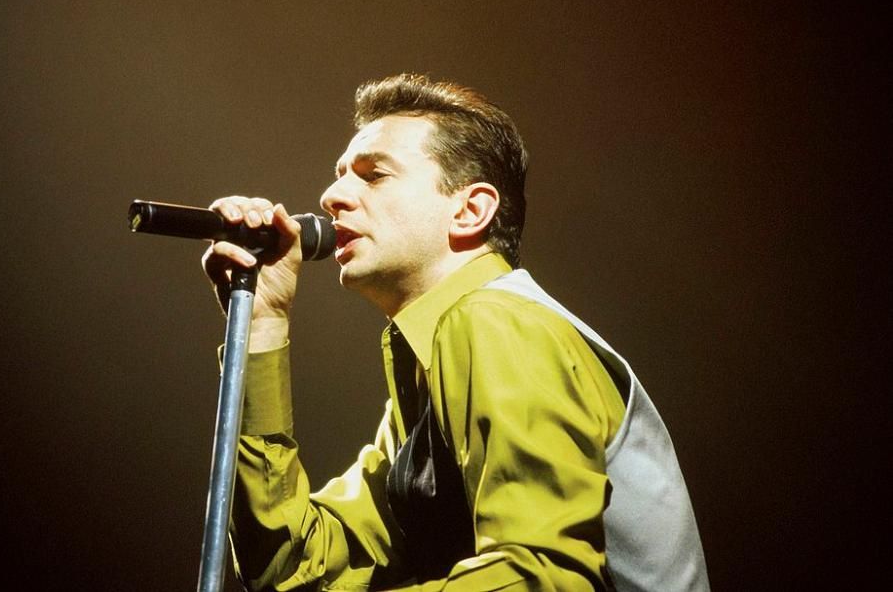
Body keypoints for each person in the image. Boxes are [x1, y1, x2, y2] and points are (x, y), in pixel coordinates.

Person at [202, 74, 709, 591]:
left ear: (470, 210)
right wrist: (262, 324)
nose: (332, 196)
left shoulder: (499, 320)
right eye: (340, 176)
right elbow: (295, 566)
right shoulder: (433, 367)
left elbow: (543, 576)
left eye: (374, 175)